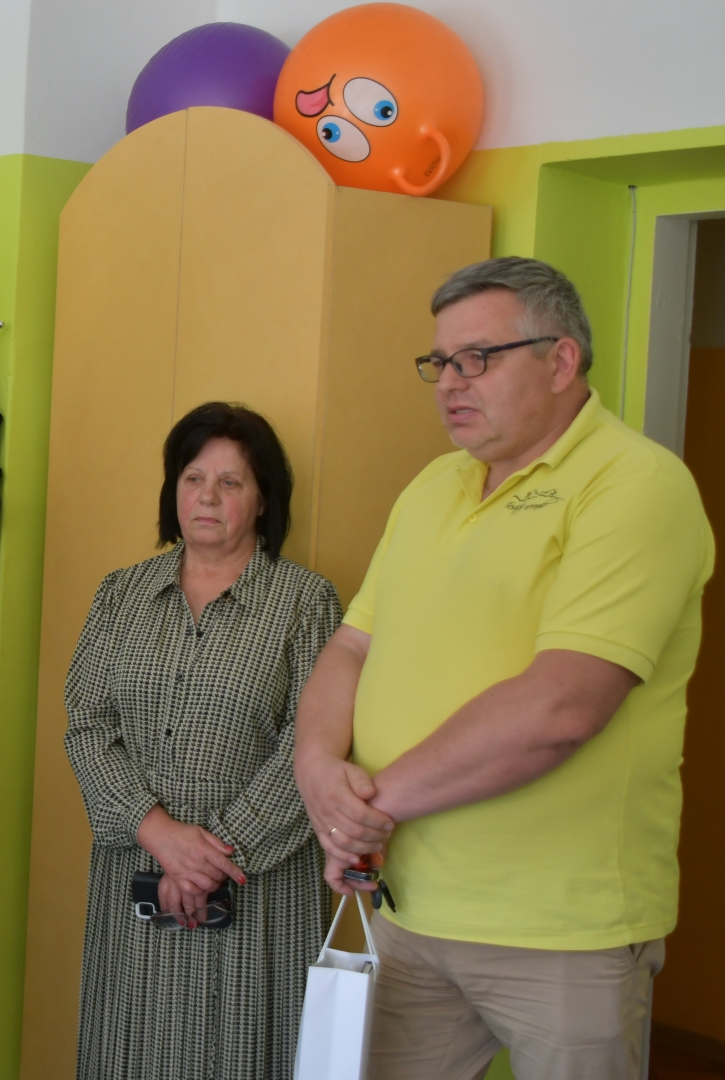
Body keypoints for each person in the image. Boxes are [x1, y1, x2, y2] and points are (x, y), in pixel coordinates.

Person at [295, 257, 715, 1080]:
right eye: (441, 362)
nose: (452, 382)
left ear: (561, 361)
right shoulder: (432, 486)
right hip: (405, 908)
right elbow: (352, 647)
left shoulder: (637, 484)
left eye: (478, 358)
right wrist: (315, 770)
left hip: (561, 934)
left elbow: (562, 706)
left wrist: (365, 810)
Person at [64, 402, 341, 1080]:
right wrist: (158, 833)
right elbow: (88, 723)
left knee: (240, 1055)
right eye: (193, 478)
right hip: (137, 874)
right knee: (128, 1053)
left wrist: (210, 858)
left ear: (264, 499)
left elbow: (315, 742)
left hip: (255, 885)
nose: (207, 497)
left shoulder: (306, 602)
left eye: (230, 482)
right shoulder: (121, 595)